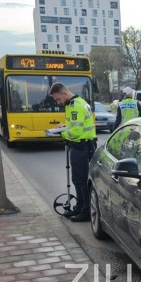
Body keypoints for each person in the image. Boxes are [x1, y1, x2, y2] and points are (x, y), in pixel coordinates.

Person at [50, 82, 97, 222]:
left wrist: (61, 133)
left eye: (58, 99)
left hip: (80, 146)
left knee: (80, 180)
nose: (58, 102)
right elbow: (77, 125)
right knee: (78, 179)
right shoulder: (77, 103)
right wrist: (65, 127)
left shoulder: (75, 106)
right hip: (83, 145)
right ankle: (79, 207)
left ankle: (85, 211)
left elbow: (76, 132)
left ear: (64, 93)